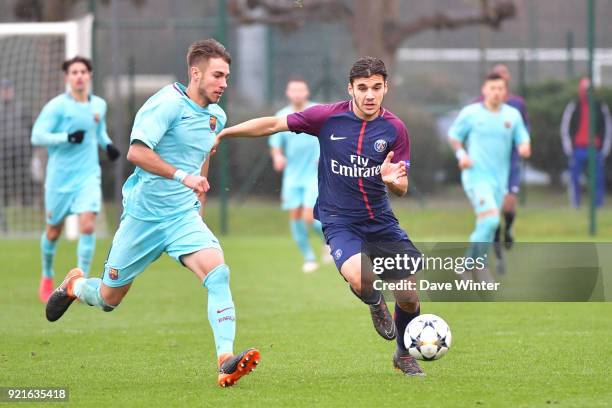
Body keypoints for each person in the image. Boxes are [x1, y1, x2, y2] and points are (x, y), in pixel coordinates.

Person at [44, 39, 259, 388]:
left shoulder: (217, 117)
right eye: (218, 76)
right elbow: (137, 153)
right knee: (108, 299)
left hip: (182, 218)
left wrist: (197, 202)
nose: (224, 83)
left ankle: (225, 360)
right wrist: (182, 176)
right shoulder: (166, 104)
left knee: (218, 274)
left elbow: (203, 158)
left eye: (227, 77)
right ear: (196, 73)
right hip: (143, 218)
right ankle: (75, 286)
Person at [213, 56, 426, 376]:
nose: (370, 95)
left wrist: (393, 182)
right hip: (339, 219)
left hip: (380, 221)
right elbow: (273, 124)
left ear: (386, 88)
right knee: (360, 277)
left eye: (377, 88)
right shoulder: (327, 118)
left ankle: (402, 354)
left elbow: (403, 185)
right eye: (363, 88)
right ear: (350, 89)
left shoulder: (395, 129)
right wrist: (224, 134)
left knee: (409, 296)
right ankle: (374, 301)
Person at [31, 57, 120, 302]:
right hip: (60, 179)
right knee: (52, 231)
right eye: (74, 72)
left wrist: (108, 144)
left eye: (83, 71)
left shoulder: (99, 105)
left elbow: (98, 130)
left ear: (89, 75)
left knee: (88, 225)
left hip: (88, 175)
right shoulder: (57, 106)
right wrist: (66, 137)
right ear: (67, 78)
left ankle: (79, 283)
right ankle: (47, 275)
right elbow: (37, 136)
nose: (79, 76)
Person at [448, 72, 531, 277]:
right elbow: (454, 136)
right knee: (492, 220)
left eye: (500, 89)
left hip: (499, 182)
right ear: (484, 90)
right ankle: (479, 265)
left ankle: (468, 264)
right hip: (475, 176)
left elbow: (523, 139)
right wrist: (461, 154)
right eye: (492, 88)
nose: (496, 92)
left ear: (505, 92)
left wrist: (524, 147)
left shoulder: (512, 115)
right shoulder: (471, 113)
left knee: (485, 222)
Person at [269, 77, 331, 273]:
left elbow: (332, 135)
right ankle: (309, 258)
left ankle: (328, 241)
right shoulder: (281, 116)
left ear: (307, 92)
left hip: (314, 174)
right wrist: (278, 156)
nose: (297, 93)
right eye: (293, 90)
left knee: (308, 216)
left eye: (300, 90)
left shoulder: (317, 112)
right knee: (294, 216)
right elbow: (275, 145)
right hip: (292, 176)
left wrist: (326, 154)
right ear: (288, 93)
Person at [484, 64, 530, 253]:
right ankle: (495, 233)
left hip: (510, 159)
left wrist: (523, 144)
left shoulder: (517, 104)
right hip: (489, 160)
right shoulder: (480, 104)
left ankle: (508, 228)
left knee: (509, 202)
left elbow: (525, 129)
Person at [560, 76, 612, 208]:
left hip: (596, 148)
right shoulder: (574, 106)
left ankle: (598, 204)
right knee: (575, 177)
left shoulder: (600, 107)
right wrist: (568, 148)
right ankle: (575, 203)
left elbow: (607, 127)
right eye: (583, 89)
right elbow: (566, 127)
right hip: (578, 148)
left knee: (597, 178)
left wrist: (605, 148)